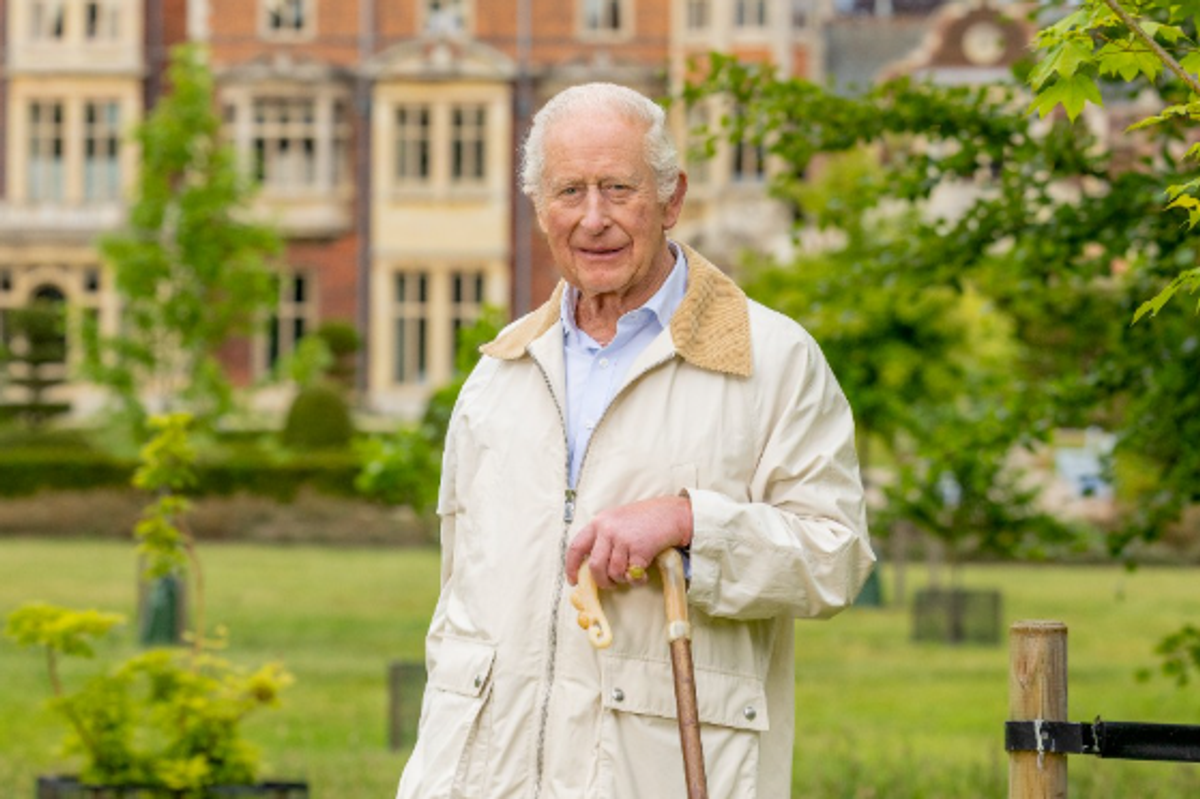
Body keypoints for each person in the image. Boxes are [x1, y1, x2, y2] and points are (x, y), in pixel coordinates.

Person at [396, 82, 875, 799]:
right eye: (569, 191)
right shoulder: (499, 376)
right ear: (539, 208)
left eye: (619, 188)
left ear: (671, 199)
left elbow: (835, 556)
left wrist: (692, 523)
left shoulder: (772, 357)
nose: (594, 219)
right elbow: (456, 617)